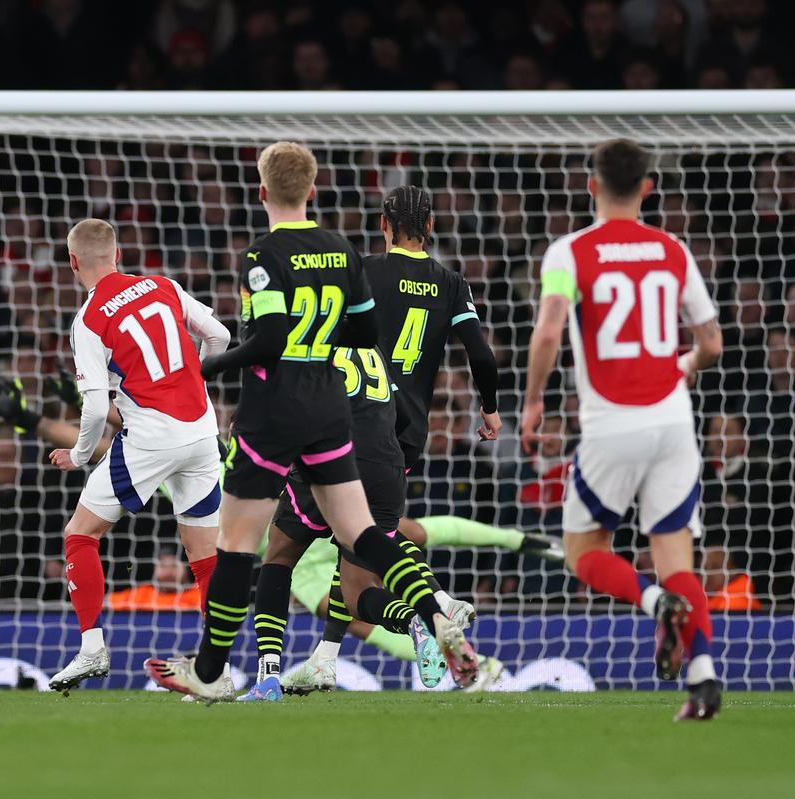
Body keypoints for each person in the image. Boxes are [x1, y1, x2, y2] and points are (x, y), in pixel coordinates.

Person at [147, 143, 477, 702]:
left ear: (261, 192)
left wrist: (210, 365)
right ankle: (435, 609)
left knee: (238, 542)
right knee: (363, 534)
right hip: (331, 410)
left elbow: (271, 339)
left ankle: (209, 671)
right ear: (313, 190)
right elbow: (364, 334)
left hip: (274, 412)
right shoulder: (342, 250)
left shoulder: (261, 256)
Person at [521, 138, 724, 721]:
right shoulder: (674, 250)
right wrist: (681, 367)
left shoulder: (568, 253)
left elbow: (548, 333)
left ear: (591, 186)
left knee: (584, 552)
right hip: (672, 423)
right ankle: (704, 676)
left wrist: (534, 401)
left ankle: (654, 601)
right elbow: (710, 343)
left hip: (611, 426)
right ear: (646, 189)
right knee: (678, 558)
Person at [41, 218, 230, 693]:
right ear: (118, 253)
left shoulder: (88, 319)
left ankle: (91, 649)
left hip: (151, 437)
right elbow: (222, 337)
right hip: (203, 431)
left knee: (80, 534)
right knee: (205, 555)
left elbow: (93, 407)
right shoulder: (161, 285)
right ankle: (218, 673)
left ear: (73, 262)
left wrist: (81, 456)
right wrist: (191, 379)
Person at [106, 545, 202, 611]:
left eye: (174, 566)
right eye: (162, 566)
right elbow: (105, 602)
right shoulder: (143, 594)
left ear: (187, 568)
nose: (168, 572)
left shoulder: (200, 596)